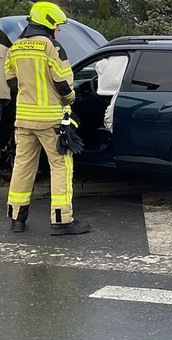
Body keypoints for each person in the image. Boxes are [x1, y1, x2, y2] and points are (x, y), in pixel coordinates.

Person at [5, 1, 91, 235]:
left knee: (22, 167)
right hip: (51, 120)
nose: (59, 30)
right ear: (48, 23)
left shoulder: (16, 47)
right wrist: (71, 99)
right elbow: (63, 83)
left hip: (23, 118)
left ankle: (17, 218)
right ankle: (62, 220)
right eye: (58, 26)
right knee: (61, 166)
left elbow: (11, 82)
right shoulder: (52, 47)